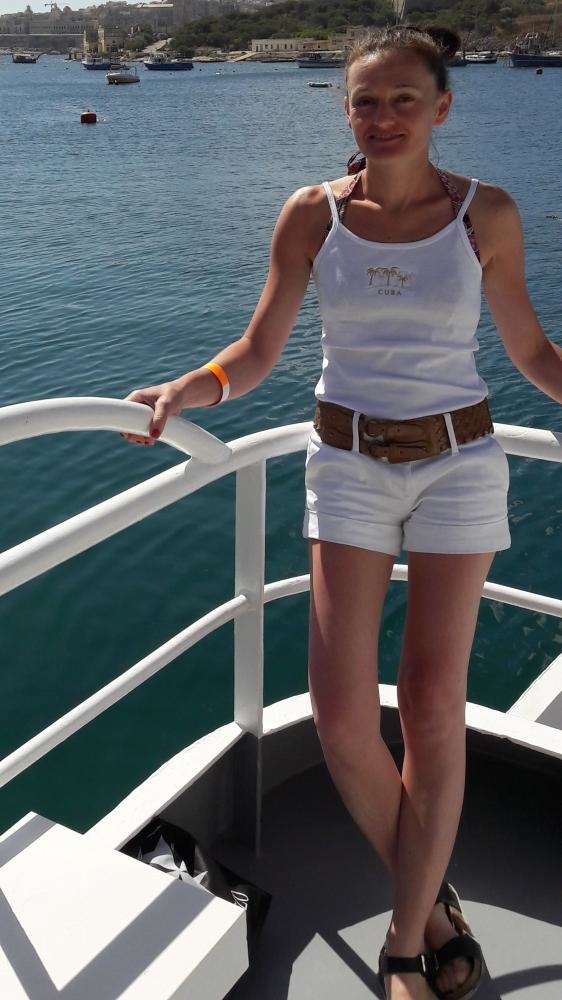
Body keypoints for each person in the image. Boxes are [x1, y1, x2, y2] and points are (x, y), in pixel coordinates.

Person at [122, 25, 562, 1000]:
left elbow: (532, 352)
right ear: (346, 109)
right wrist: (187, 390)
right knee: (339, 718)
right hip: (347, 464)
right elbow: (257, 350)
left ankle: (406, 941)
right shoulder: (311, 215)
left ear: (442, 107)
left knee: (433, 705)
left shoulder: (484, 213)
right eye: (366, 101)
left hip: (458, 465)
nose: (384, 117)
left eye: (405, 100)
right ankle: (438, 908)